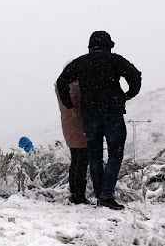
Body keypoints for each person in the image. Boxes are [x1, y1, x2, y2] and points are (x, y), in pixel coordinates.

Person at [56, 31, 142, 210]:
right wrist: (129, 94)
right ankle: (106, 195)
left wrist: (69, 104)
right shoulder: (114, 60)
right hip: (112, 112)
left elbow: (61, 81)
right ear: (108, 45)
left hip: (90, 115)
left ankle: (99, 194)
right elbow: (135, 75)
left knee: (95, 155)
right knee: (115, 154)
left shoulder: (80, 62)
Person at [55, 79, 88, 204]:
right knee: (82, 161)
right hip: (79, 126)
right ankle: (79, 195)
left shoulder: (60, 86)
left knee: (75, 160)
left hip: (69, 126)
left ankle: (75, 193)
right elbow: (78, 104)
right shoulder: (73, 88)